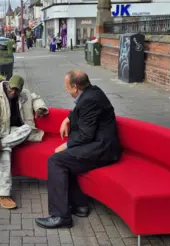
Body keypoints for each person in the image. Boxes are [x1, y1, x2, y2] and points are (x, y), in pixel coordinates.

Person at [35, 70, 122, 229]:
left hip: (103, 149)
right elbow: (80, 111)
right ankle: (80, 205)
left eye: (66, 87)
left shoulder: (90, 99)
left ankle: (61, 216)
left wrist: (65, 145)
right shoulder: (91, 92)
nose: (66, 90)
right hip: (98, 144)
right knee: (66, 160)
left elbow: (85, 135)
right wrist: (67, 118)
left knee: (56, 161)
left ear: (75, 87)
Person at [0, 75, 49, 209]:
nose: (13, 92)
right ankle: (2, 194)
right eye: (11, 89)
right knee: (5, 152)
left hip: (14, 131)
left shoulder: (24, 94)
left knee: (28, 128)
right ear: (7, 85)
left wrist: (40, 107)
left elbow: (35, 97)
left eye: (17, 90)